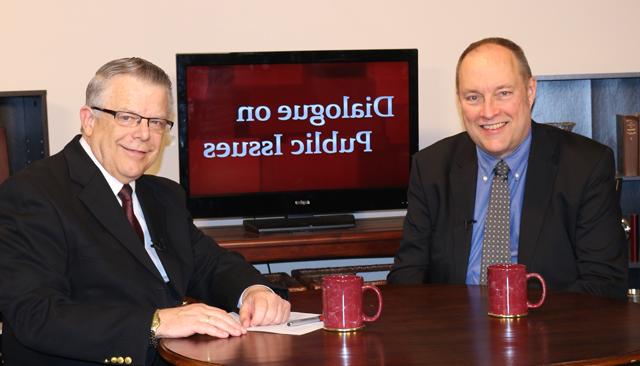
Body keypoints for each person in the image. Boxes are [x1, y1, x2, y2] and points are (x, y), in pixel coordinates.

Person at [0, 57, 290, 366]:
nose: (144, 134)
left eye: (157, 122)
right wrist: (156, 323)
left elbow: (208, 264)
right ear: (89, 119)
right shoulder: (33, 194)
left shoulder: (163, 194)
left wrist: (254, 291)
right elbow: (36, 315)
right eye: (127, 117)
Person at [387, 37, 627, 298]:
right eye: (473, 97)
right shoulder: (430, 168)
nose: (488, 112)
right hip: (454, 330)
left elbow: (604, 284)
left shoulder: (586, 166)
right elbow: (407, 277)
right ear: (459, 101)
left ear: (530, 91)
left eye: (503, 93)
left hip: (549, 331)